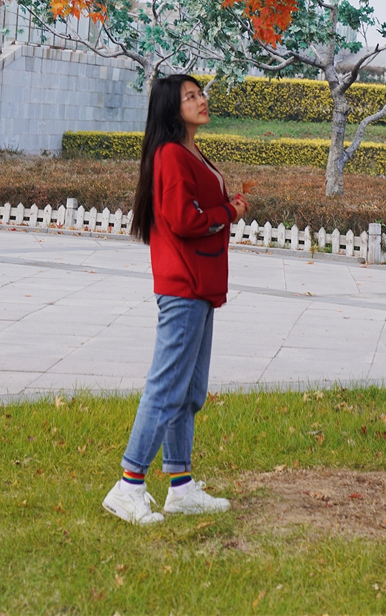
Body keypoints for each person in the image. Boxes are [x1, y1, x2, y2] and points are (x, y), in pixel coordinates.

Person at [102, 73, 249, 525]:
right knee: (165, 388)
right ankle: (128, 485)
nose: (201, 100)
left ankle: (180, 486)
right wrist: (230, 212)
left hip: (199, 285)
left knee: (188, 392)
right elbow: (185, 219)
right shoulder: (170, 155)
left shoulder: (189, 151)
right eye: (191, 96)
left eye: (201, 93)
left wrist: (225, 208)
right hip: (183, 286)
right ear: (171, 107)